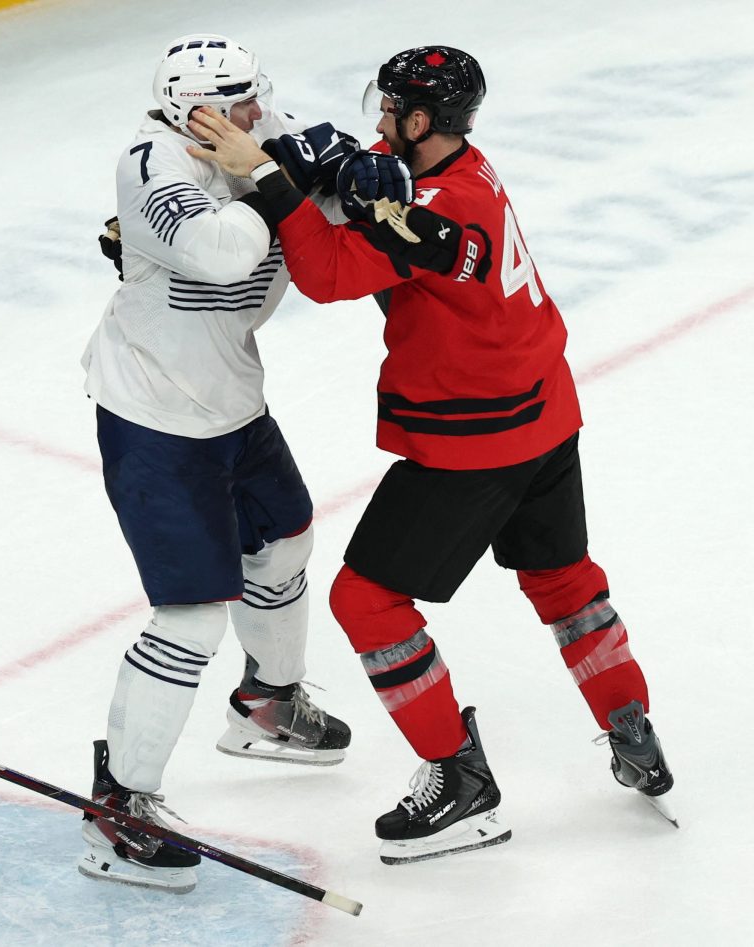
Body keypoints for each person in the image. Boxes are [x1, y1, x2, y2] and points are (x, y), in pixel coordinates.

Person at [186, 44, 677, 866]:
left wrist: (267, 178)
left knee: (365, 600)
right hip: (545, 411)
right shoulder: (458, 167)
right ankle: (631, 724)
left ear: (421, 121)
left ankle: (460, 779)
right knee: (562, 579)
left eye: (390, 111)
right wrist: (313, 157)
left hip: (477, 438)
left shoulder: (442, 216)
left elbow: (328, 272)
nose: (379, 121)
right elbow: (373, 183)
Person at [79, 33, 368, 893]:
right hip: (155, 415)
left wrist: (336, 171)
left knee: (285, 542)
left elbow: (331, 174)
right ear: (194, 112)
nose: (258, 110)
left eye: (256, 96)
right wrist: (278, 179)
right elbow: (226, 251)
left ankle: (266, 704)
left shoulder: (251, 129)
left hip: (233, 399)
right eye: (239, 101)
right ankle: (119, 809)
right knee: (192, 616)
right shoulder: (151, 165)